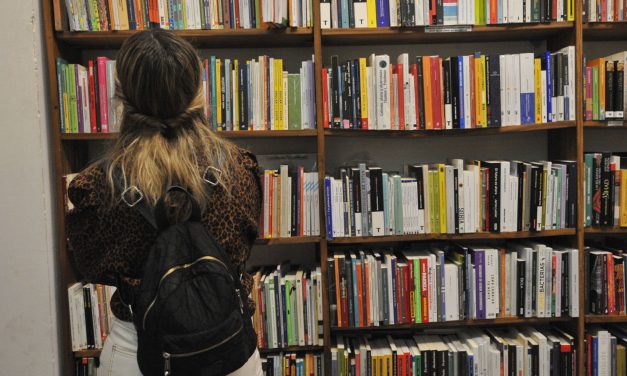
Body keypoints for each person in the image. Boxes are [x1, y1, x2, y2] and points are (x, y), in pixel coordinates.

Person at [65, 30, 262, 375]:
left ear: (121, 95)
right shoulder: (238, 168)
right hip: (228, 348)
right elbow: (245, 244)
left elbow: (90, 266)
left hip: (139, 354)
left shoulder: (97, 187)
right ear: (198, 91)